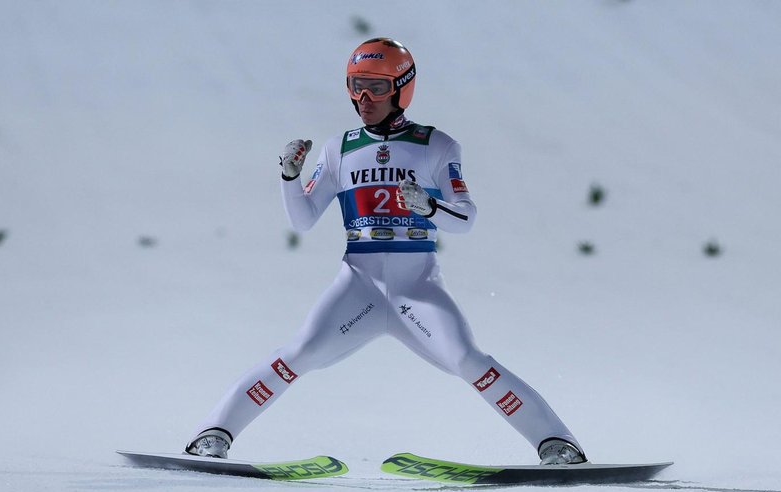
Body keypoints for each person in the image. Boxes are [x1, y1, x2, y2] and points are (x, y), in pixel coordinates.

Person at [185, 38, 587, 466]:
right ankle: (213, 434)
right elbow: (303, 220)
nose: (363, 99)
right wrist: (288, 177)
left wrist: (431, 208)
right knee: (298, 354)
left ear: (402, 88)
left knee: (468, 360)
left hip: (416, 288)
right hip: (358, 286)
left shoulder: (437, 145)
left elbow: (466, 218)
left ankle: (557, 443)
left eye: (376, 88)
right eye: (355, 86)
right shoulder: (338, 149)